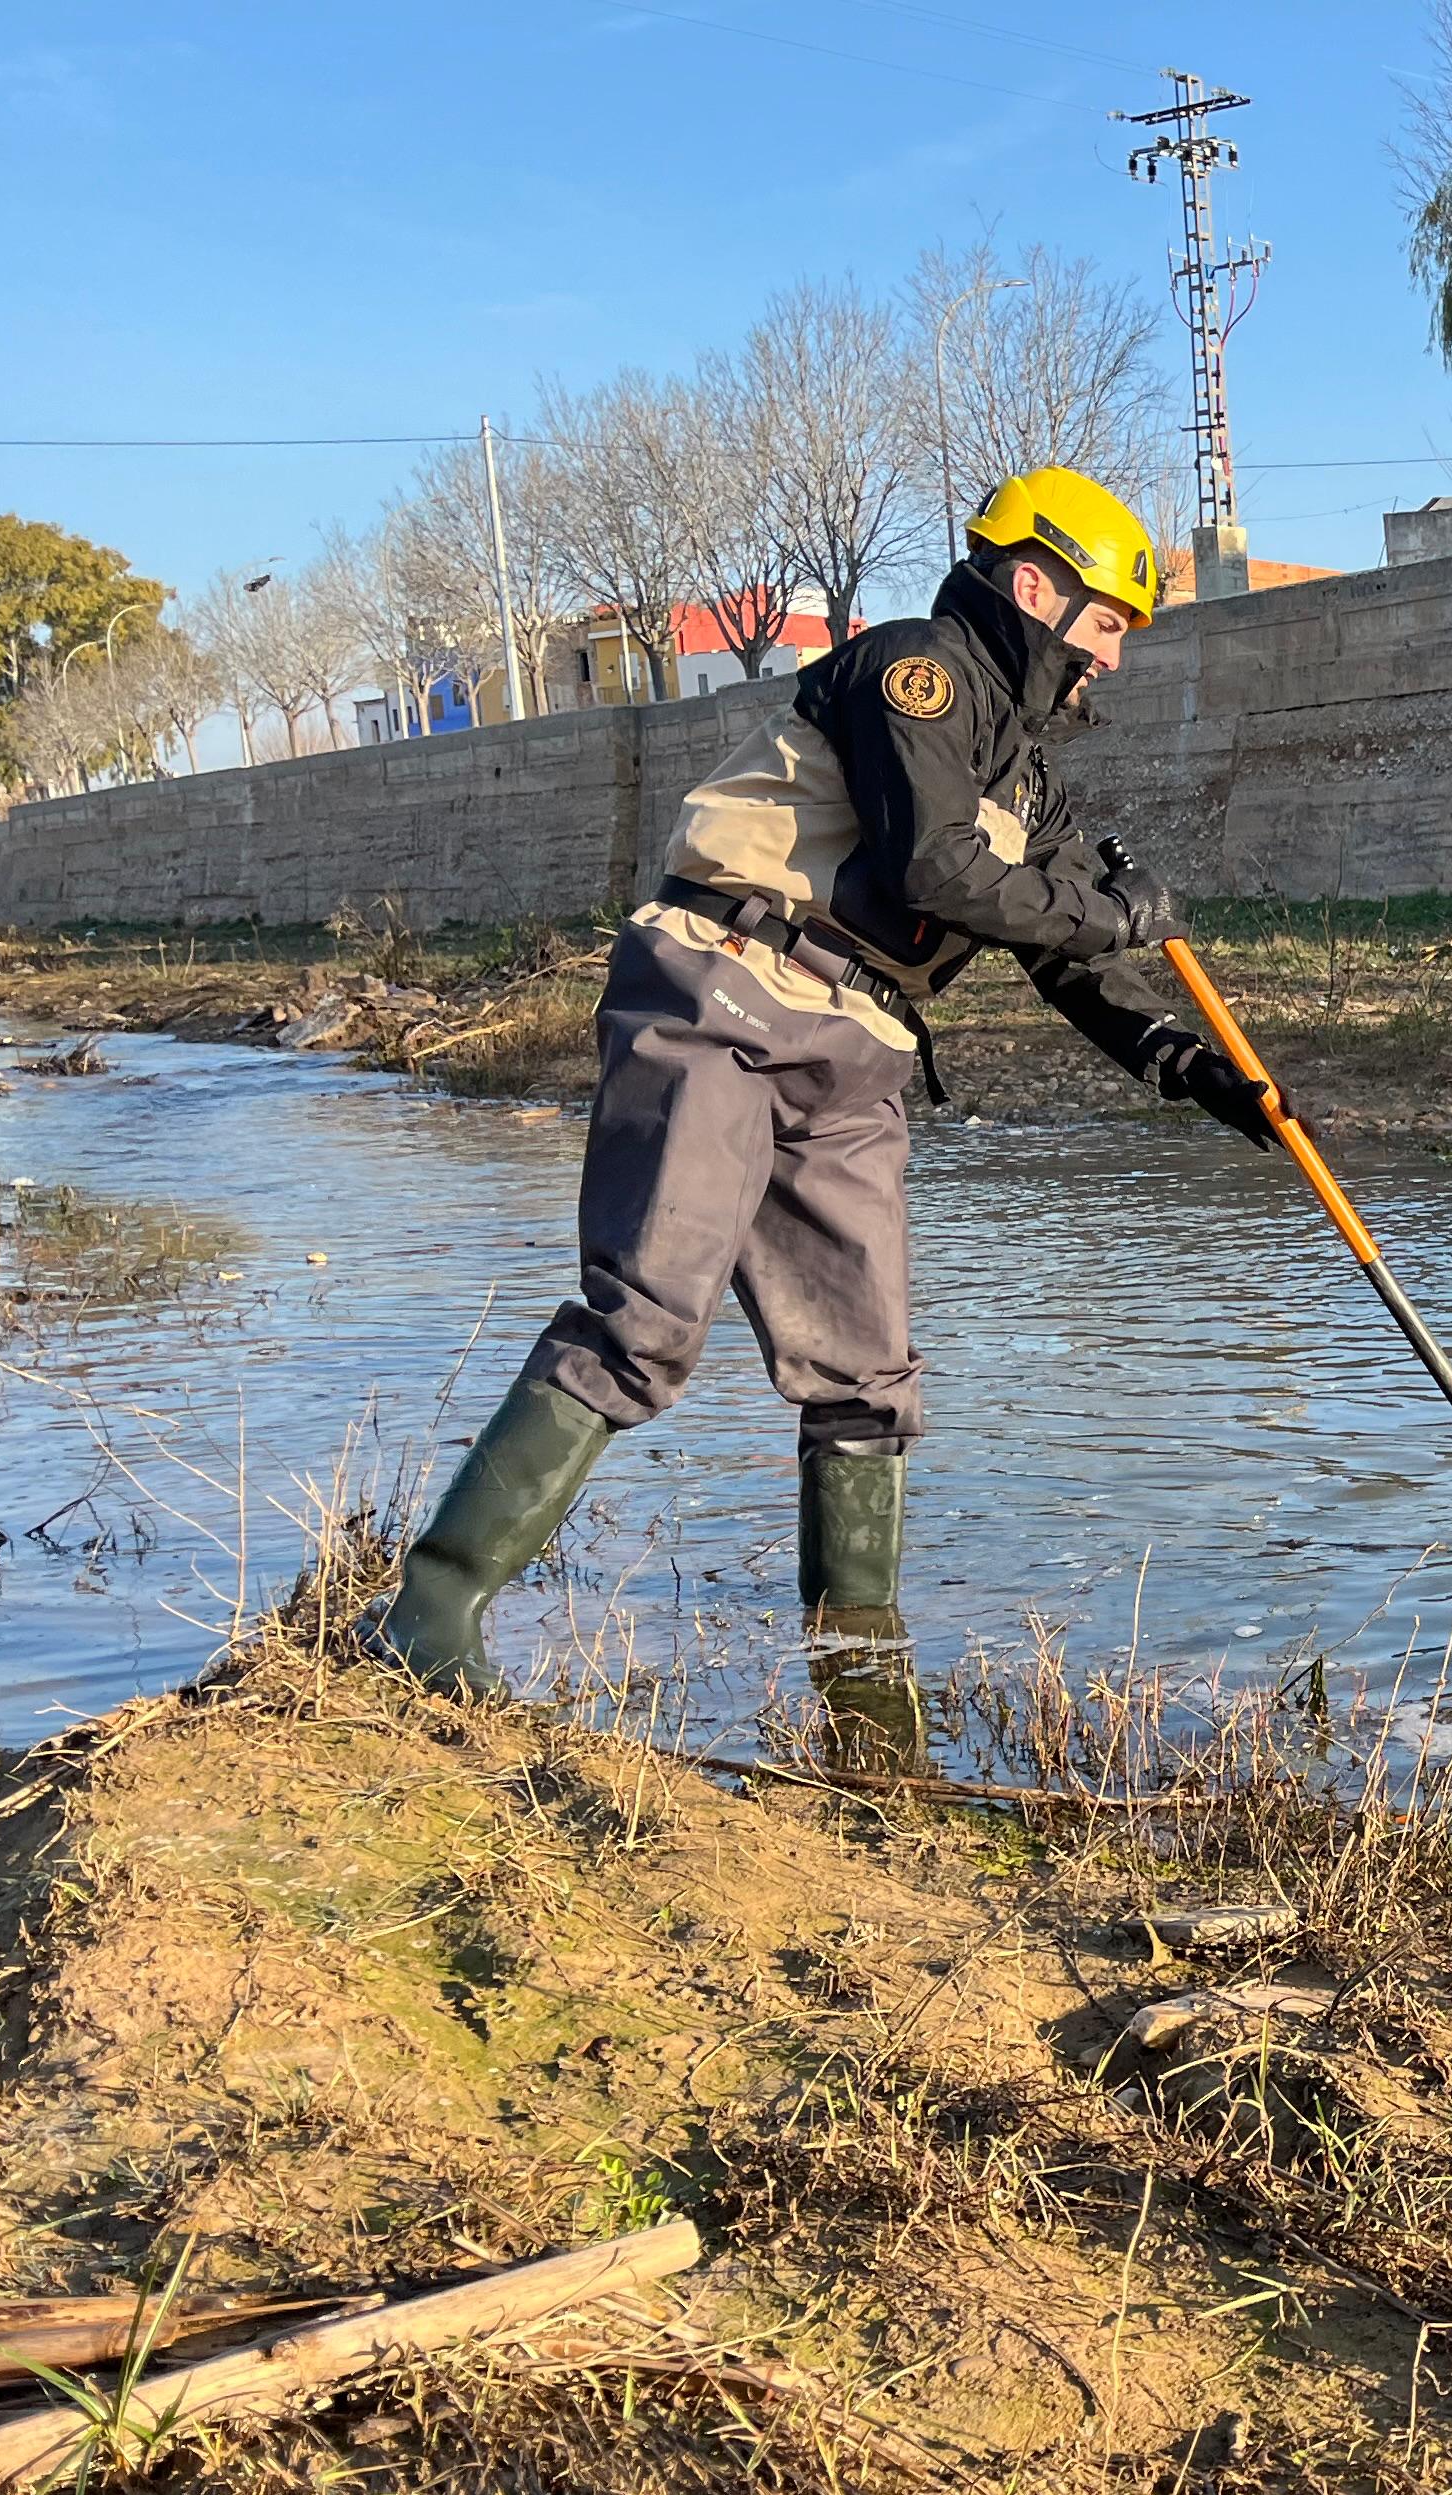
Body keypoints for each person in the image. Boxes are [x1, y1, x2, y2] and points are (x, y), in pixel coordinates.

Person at [370, 466, 1278, 1737]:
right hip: (726, 995)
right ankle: (426, 1620)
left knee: (867, 1375)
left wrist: (1186, 1067)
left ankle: (862, 1696)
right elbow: (936, 866)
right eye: (1111, 624)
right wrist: (1112, 906)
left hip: (860, 1050)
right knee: (645, 1323)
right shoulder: (918, 669)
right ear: (1038, 588)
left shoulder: (1028, 777)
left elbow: (1070, 956)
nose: (1114, 660)